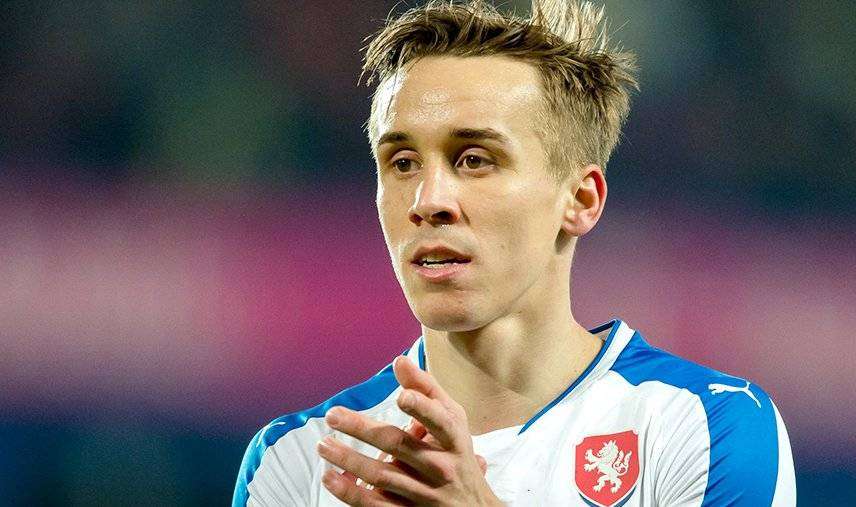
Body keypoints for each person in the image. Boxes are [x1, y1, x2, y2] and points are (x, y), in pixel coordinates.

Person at [232, 1, 796, 505]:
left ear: (580, 200)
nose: (428, 202)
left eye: (475, 160)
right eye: (402, 163)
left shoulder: (703, 426)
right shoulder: (299, 460)